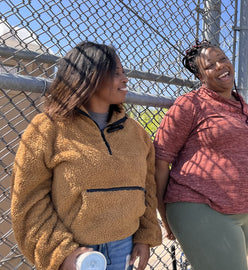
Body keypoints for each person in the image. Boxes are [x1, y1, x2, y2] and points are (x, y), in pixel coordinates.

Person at [10, 41, 162, 270]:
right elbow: (28, 200)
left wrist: (145, 235)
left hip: (126, 248)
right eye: (116, 73)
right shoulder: (46, 128)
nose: (125, 79)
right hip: (76, 253)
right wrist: (59, 252)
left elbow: (147, 187)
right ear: (88, 75)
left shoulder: (136, 133)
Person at [153, 40, 248, 270]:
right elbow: (160, 161)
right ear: (201, 76)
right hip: (199, 205)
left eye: (222, 59)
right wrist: (165, 215)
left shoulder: (245, 108)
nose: (220, 66)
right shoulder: (190, 103)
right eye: (210, 65)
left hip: (244, 208)